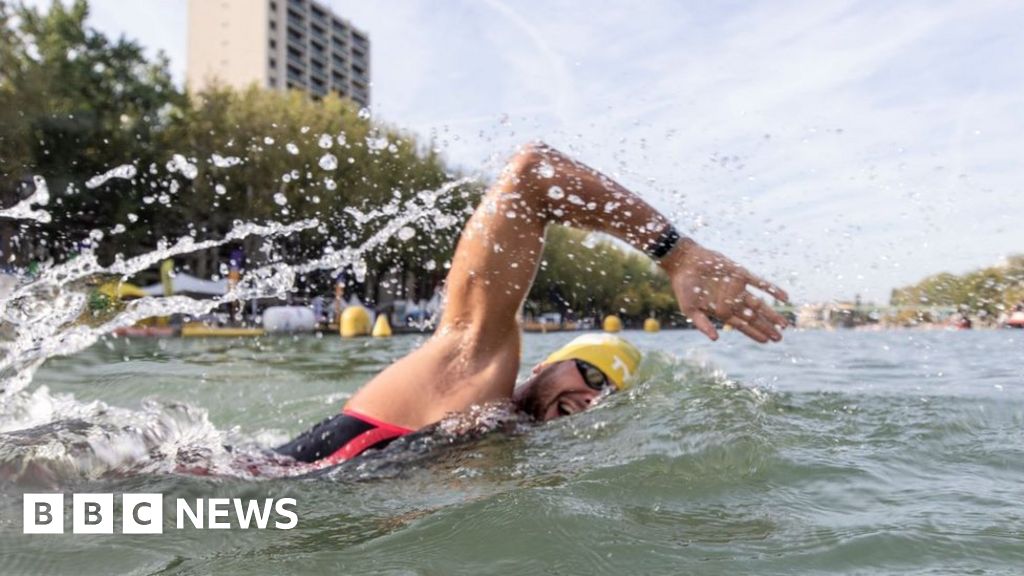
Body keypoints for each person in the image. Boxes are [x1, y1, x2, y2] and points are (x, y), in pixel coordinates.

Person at [275, 143, 790, 467]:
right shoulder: (471, 368)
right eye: (589, 374)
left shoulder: (511, 447)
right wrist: (677, 255)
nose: (592, 398)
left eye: (606, 392)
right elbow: (532, 174)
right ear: (545, 365)